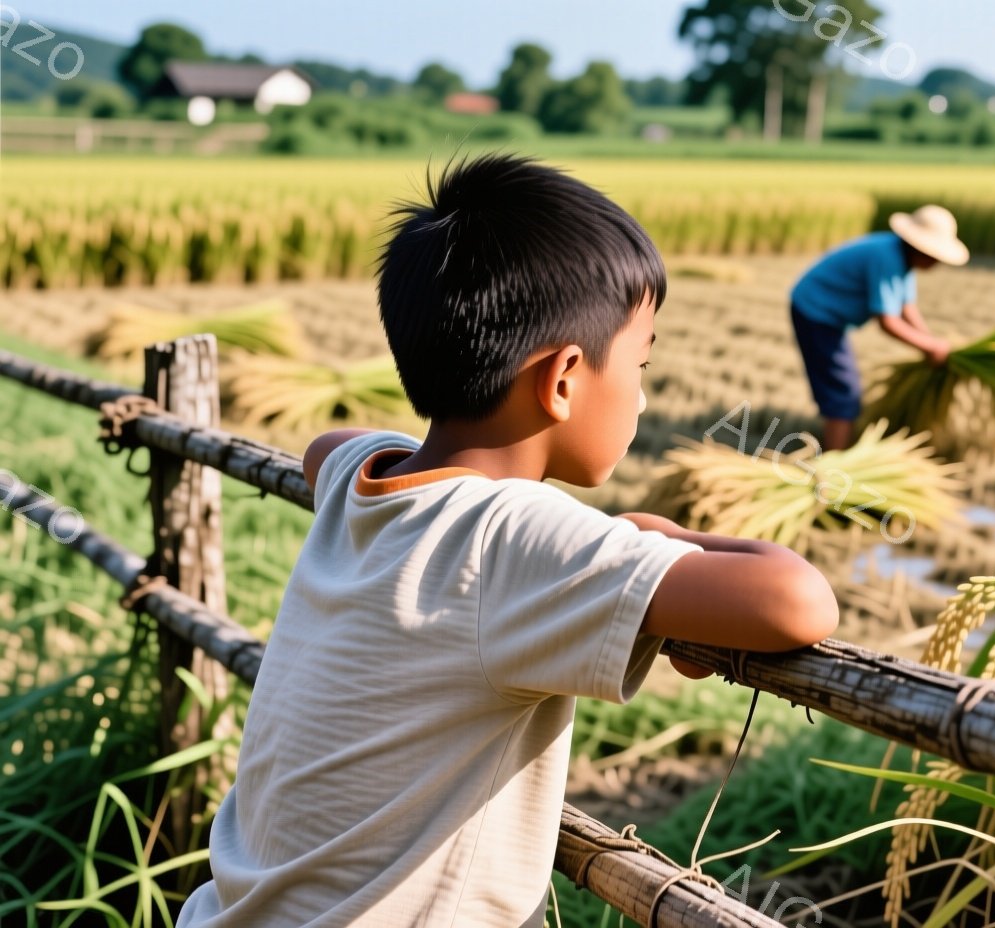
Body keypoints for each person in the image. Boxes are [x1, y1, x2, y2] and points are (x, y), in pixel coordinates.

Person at [177, 154, 840, 927]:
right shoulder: (512, 536)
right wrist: (663, 537)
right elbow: (798, 601)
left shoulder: (365, 479)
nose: (644, 391)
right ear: (562, 380)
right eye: (641, 363)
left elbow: (329, 444)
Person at [789, 205, 969, 451]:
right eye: (935, 255)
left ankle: (837, 451)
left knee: (841, 388)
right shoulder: (888, 258)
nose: (937, 262)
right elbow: (887, 321)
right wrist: (931, 346)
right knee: (843, 393)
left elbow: (906, 307)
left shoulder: (902, 257)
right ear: (921, 249)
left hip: (826, 314)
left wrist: (929, 341)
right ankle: (834, 467)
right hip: (815, 312)